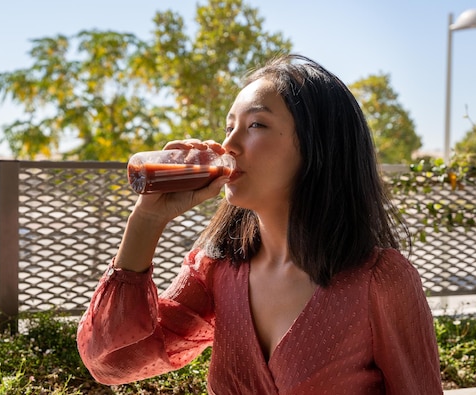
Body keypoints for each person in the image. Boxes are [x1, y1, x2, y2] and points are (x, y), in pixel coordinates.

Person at [77, 54, 443, 394]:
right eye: (228, 127)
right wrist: (147, 219)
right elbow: (109, 362)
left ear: (320, 148)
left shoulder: (380, 280)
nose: (228, 145)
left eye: (256, 124)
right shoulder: (216, 271)